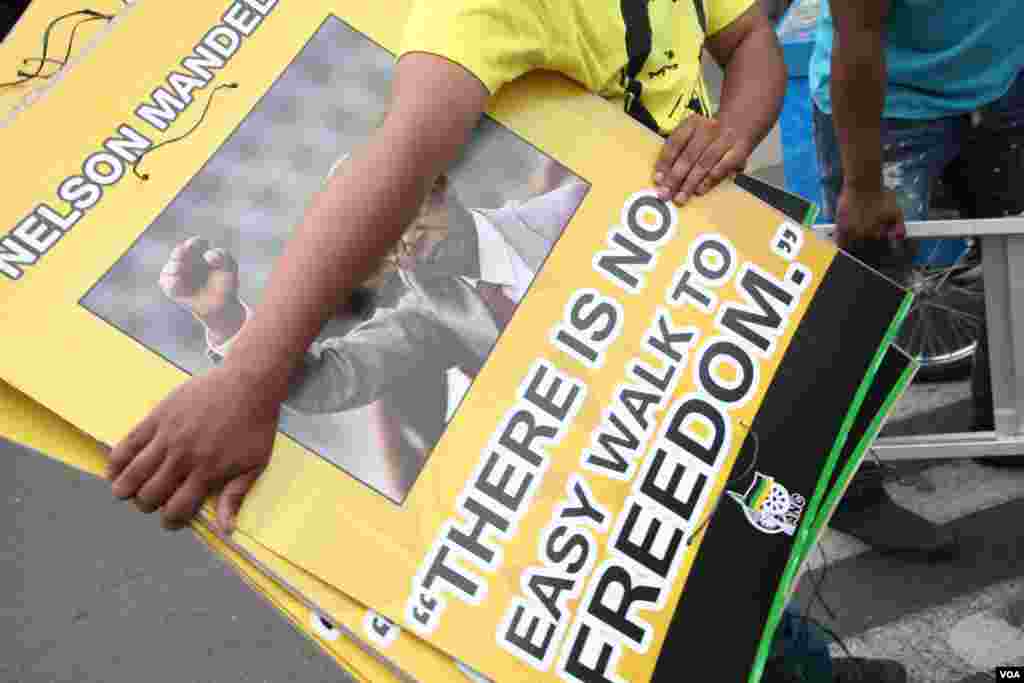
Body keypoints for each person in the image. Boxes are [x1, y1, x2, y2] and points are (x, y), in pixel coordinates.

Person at [158, 155, 589, 493]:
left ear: (439, 185)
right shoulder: (431, 315)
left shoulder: (573, 209)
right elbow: (326, 382)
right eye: (381, 239)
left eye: (403, 211)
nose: (406, 241)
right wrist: (225, 318)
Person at [810, 0, 1024, 557]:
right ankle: (846, 488)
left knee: (1014, 259)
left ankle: (1004, 418)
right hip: (887, 103)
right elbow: (857, 34)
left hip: (1000, 81)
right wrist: (862, 182)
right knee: (868, 295)